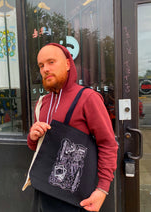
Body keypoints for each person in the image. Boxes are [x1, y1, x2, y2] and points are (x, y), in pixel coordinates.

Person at [27, 43, 118, 212]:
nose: (45, 69)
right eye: (41, 65)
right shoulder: (42, 103)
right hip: (42, 190)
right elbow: (36, 146)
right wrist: (32, 137)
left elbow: (108, 144)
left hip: (74, 197)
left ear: (68, 64)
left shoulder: (88, 98)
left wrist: (102, 189)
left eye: (51, 62)